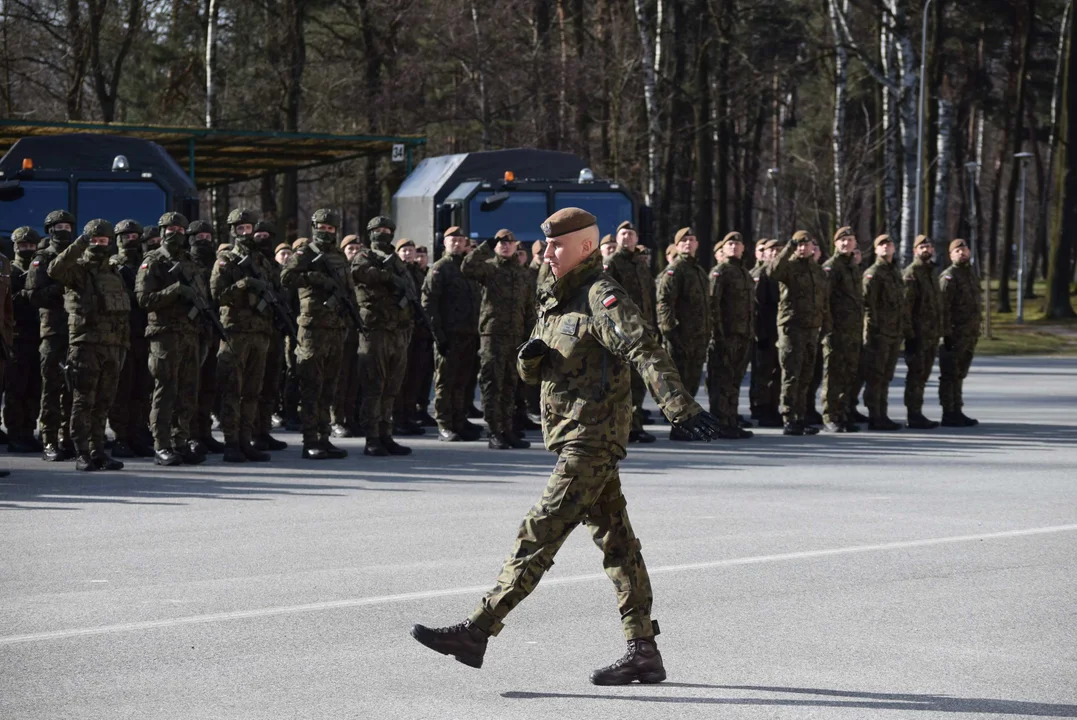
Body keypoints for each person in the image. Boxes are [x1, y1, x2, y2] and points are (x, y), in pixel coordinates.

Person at [410, 208, 720, 685]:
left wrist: (680, 408)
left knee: (539, 531)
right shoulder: (557, 299)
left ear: (586, 248)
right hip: (573, 435)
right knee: (618, 544)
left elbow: (644, 346)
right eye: (547, 245)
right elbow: (541, 363)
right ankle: (643, 650)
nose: (547, 253)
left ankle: (478, 629)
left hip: (591, 439)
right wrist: (529, 361)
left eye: (557, 246)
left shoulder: (601, 294)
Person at [47, 220, 130, 471]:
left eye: (103, 241)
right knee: (83, 400)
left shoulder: (114, 273)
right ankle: (81, 452)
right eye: (94, 240)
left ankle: (98, 451)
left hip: (112, 346)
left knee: (104, 401)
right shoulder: (79, 271)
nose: (99, 245)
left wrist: (123, 346)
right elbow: (54, 269)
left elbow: (123, 315)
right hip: (85, 346)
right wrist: (80, 241)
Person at [136, 212, 210, 466]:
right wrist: (175, 290)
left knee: (188, 392)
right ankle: (162, 445)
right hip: (164, 335)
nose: (175, 233)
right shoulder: (153, 261)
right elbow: (144, 300)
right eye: (171, 228)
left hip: (190, 334)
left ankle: (181, 441)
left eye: (180, 229)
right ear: (161, 231)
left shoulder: (189, 261)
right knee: (165, 391)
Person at [280, 210, 353, 459]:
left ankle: (324, 437)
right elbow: (286, 277)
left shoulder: (338, 255)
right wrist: (314, 277)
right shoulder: (305, 254)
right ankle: (310, 441)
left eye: (331, 228)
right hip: (312, 329)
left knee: (329, 388)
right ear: (314, 227)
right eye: (322, 227)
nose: (327, 231)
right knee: (312, 386)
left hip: (335, 328)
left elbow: (347, 286)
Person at [210, 209, 281, 462]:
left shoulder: (261, 261)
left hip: (260, 332)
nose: (245, 233)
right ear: (232, 230)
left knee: (252, 390)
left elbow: (275, 289)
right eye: (239, 228)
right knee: (232, 389)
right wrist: (245, 285)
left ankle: (246, 439)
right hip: (235, 332)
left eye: (248, 228)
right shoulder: (225, 259)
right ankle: (231, 443)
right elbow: (217, 295)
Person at [461, 228, 533, 449]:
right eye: (501, 242)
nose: (505, 245)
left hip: (516, 335)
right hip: (492, 335)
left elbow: (529, 307)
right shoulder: (489, 269)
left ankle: (507, 429)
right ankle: (494, 431)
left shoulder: (522, 273)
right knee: (492, 382)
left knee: (511, 383)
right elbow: (467, 267)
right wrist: (485, 246)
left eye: (509, 242)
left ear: (515, 246)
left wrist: (531, 336)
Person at [351, 217, 417, 456]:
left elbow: (409, 290)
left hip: (397, 330)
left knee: (391, 386)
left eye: (387, 230)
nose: (383, 233)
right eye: (378, 230)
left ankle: (386, 433)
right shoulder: (365, 257)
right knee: (374, 386)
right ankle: (372, 437)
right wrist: (389, 276)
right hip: (375, 330)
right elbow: (360, 274)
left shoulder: (398, 262)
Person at [767, 231, 830, 436]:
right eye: (799, 245)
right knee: (791, 375)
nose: (803, 248)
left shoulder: (817, 270)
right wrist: (788, 247)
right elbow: (772, 271)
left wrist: (825, 326)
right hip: (792, 328)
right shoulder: (789, 267)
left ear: (813, 247)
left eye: (807, 244)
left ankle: (800, 417)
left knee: (806, 376)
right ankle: (789, 417)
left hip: (812, 329)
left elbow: (823, 300)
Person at [422, 227, 480, 442]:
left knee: (462, 382)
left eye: (460, 240)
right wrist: (439, 335)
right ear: (444, 243)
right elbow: (429, 304)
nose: (456, 243)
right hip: (449, 335)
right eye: (452, 240)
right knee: (445, 382)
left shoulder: (467, 267)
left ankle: (459, 420)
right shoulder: (440, 268)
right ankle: (445, 424)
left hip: (469, 334)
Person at [603, 220, 657, 443]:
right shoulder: (612, 262)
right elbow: (605, 297)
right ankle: (618, 428)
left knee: (639, 380)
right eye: (623, 234)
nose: (627, 238)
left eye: (631, 234)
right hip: (622, 332)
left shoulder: (641, 265)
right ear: (617, 239)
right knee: (619, 382)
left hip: (642, 331)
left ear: (637, 239)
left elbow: (649, 299)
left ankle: (635, 426)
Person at [656, 227, 711, 440]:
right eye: (683, 241)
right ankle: (678, 426)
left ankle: (687, 423)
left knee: (692, 381)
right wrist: (669, 331)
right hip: (681, 336)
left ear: (697, 244)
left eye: (691, 239)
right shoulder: (676, 269)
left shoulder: (698, 270)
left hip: (698, 336)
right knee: (679, 383)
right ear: (678, 246)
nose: (688, 243)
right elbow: (664, 302)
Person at [707, 232, 754, 439]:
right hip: (726, 334)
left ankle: (731, 419)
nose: (734, 247)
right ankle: (719, 421)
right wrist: (718, 334)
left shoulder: (744, 272)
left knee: (735, 379)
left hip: (743, 334)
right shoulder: (721, 271)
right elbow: (713, 305)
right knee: (722, 379)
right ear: (723, 249)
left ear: (743, 248)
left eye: (737, 244)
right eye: (730, 244)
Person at [186, 219, 225, 454]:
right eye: (199, 237)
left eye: (207, 237)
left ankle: (204, 431)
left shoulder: (217, 263)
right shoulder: (184, 262)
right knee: (191, 384)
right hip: (190, 332)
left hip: (212, 330)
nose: (204, 241)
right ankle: (190, 434)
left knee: (209, 384)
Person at [861, 234, 907, 431]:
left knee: (886, 375)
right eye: (881, 245)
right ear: (875, 250)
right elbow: (866, 304)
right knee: (876, 376)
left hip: (893, 332)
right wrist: (875, 329)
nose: (886, 247)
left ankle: (883, 413)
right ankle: (875, 415)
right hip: (879, 333)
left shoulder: (894, 272)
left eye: (889, 244)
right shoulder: (874, 272)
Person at [820, 226, 863, 433]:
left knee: (848, 373)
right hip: (836, 330)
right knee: (834, 374)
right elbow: (824, 300)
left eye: (850, 240)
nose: (846, 244)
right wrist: (828, 329)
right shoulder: (831, 267)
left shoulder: (853, 267)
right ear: (835, 243)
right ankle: (830, 415)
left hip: (852, 330)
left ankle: (843, 413)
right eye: (842, 240)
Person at [6, 227, 43, 453]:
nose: (27, 249)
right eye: (23, 246)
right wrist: (28, 293)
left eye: (31, 246)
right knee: (16, 390)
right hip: (17, 338)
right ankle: (15, 434)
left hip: (37, 337)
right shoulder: (8, 271)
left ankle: (28, 432)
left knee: (34, 389)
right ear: (15, 247)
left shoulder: (38, 269)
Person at [938, 238, 981, 427]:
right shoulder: (949, 276)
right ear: (951, 255)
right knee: (950, 374)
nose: (962, 253)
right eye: (957, 251)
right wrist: (945, 333)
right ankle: (949, 412)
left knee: (960, 373)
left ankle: (957, 409)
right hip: (953, 334)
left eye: (964, 250)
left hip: (969, 334)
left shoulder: (971, 275)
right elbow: (942, 308)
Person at [903, 235, 942, 429]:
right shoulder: (912, 273)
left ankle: (918, 412)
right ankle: (913, 413)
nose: (926, 249)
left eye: (928, 246)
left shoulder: (931, 272)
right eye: (921, 246)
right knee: (916, 376)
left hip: (931, 334)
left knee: (924, 375)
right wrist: (910, 335)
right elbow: (907, 307)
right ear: (914, 251)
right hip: (918, 334)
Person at [331, 235, 363, 438]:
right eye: (350, 248)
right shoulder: (338, 271)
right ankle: (336, 420)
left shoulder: (363, 272)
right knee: (339, 378)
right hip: (340, 330)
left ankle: (351, 418)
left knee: (354, 378)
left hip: (358, 331)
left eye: (357, 248)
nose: (354, 252)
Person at [749, 239, 782, 427]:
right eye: (772, 250)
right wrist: (759, 334)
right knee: (763, 372)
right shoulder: (762, 274)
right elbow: (757, 308)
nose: (775, 253)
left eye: (779, 250)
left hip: (779, 331)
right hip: (765, 331)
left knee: (776, 373)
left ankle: (772, 407)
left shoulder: (781, 273)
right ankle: (761, 408)